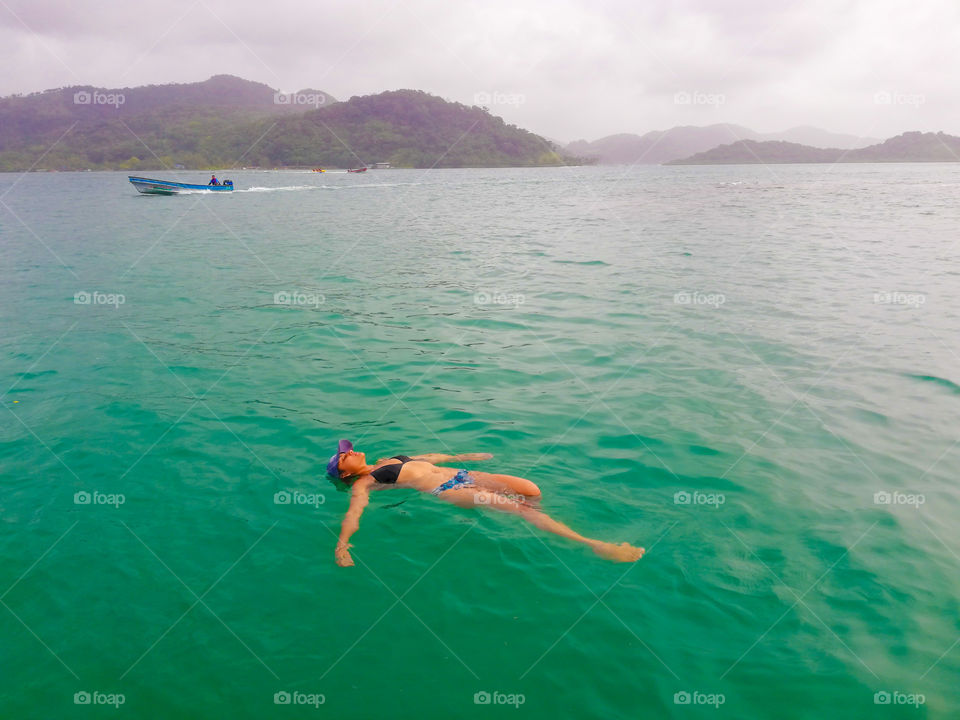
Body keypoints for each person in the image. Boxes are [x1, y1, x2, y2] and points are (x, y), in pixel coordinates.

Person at [328, 440, 645, 567]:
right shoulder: (365, 483)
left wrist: (462, 457)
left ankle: (544, 520)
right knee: (520, 508)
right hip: (450, 489)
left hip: (465, 473)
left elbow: (429, 457)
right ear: (344, 472)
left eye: (349, 448)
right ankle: (593, 544)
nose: (352, 451)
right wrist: (343, 545)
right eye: (346, 455)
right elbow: (354, 512)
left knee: (530, 491)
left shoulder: (386, 458)